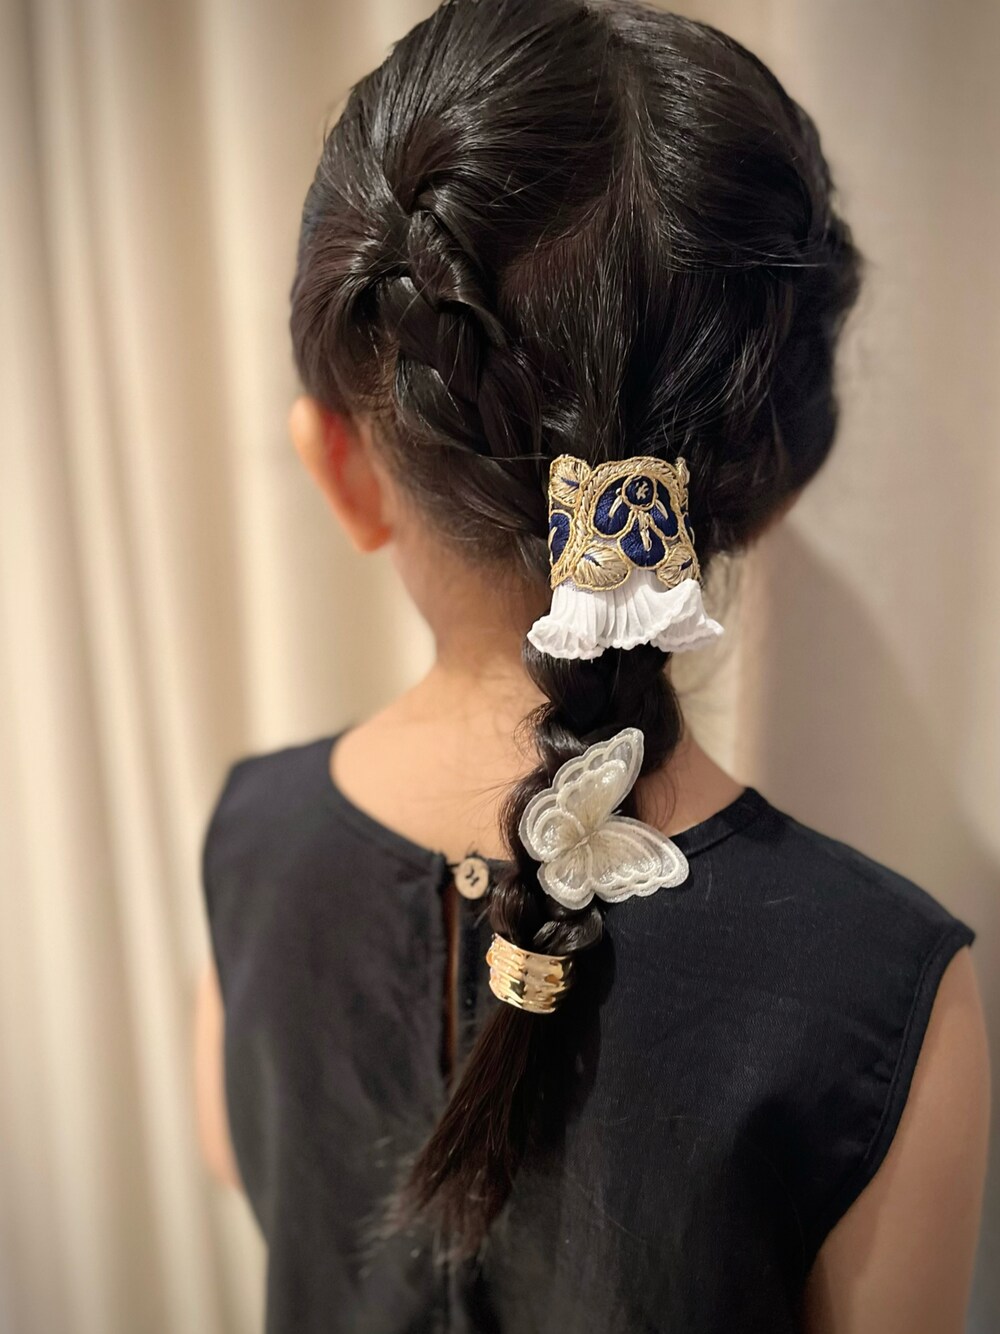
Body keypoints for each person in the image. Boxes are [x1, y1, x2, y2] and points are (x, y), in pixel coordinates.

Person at [194, 2, 990, 1331]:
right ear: (773, 486)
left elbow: (244, 1159)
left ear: (340, 467)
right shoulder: (889, 999)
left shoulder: (248, 841)